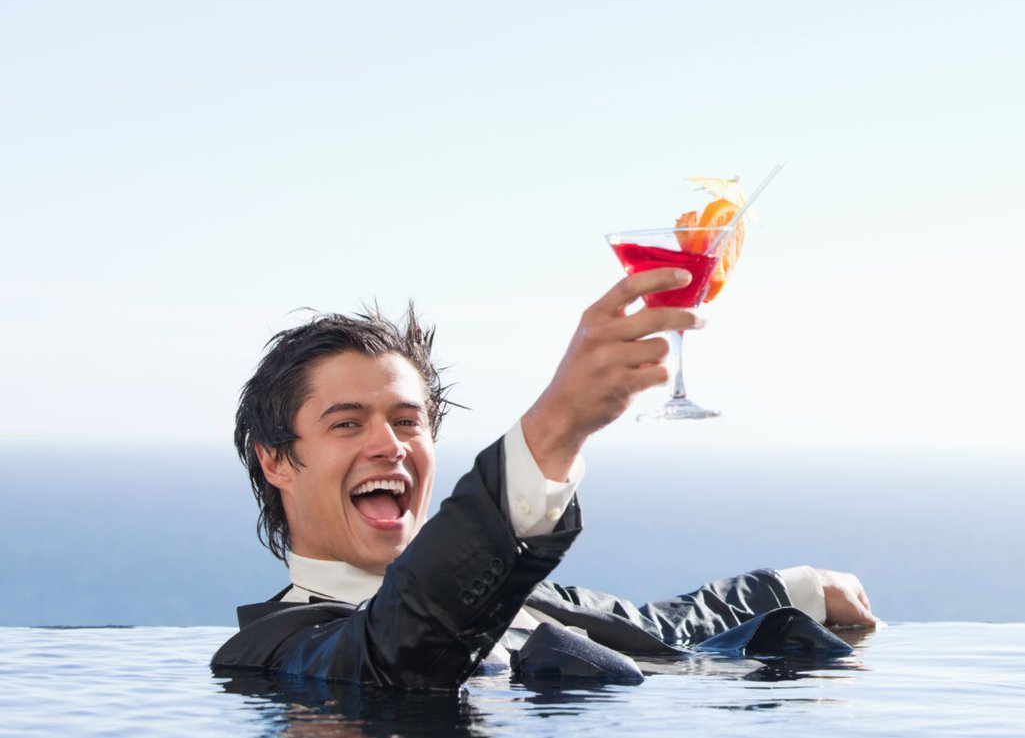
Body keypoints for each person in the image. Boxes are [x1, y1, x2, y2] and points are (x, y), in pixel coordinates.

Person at [211, 268, 876, 688]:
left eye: (407, 421)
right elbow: (400, 646)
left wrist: (800, 586)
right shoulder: (275, 651)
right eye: (348, 424)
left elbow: (658, 624)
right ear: (275, 459)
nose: (389, 444)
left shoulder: (522, 594)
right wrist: (555, 427)